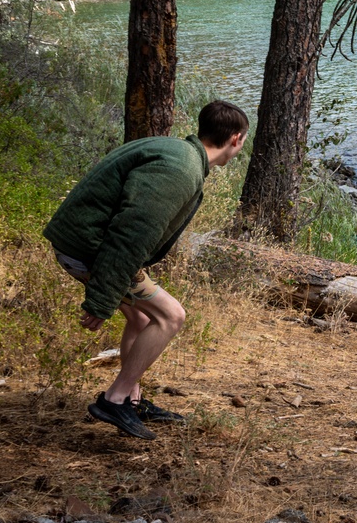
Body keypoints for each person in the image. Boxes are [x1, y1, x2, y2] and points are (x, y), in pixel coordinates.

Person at [43, 100, 249, 440]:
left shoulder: (177, 151)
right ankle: (115, 399)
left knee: (141, 319)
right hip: (88, 250)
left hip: (82, 243)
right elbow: (129, 234)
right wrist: (102, 299)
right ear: (236, 139)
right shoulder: (181, 170)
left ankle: (133, 400)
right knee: (171, 316)